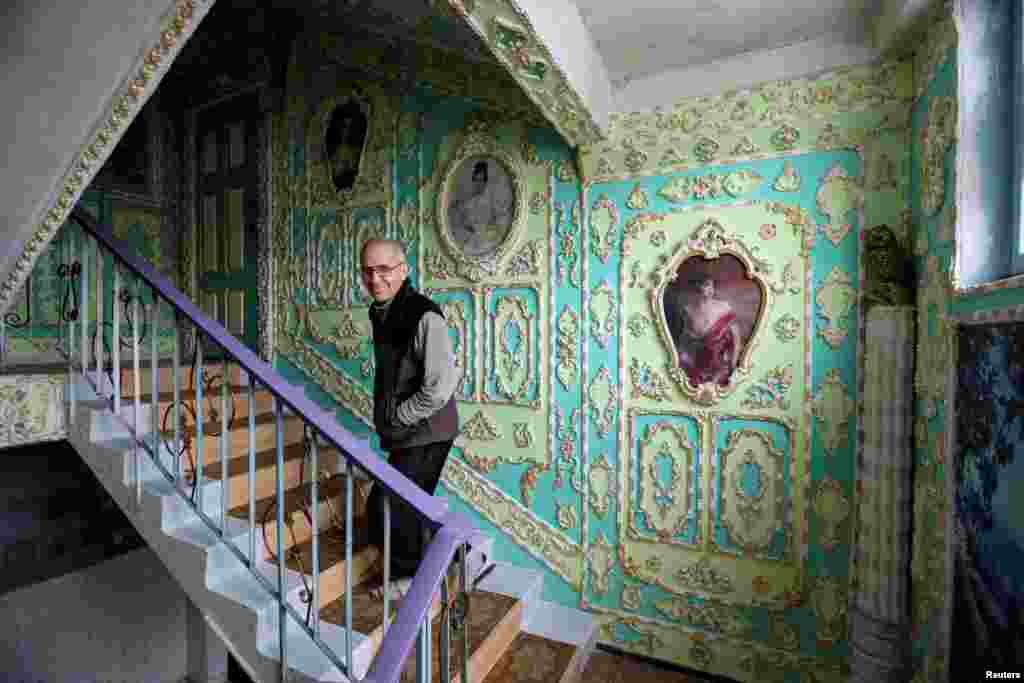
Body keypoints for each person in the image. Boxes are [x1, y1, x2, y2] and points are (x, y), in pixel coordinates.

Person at [360, 238, 461, 600]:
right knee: (401, 503)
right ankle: (450, 558)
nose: (375, 279)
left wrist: (399, 416)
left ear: (404, 270)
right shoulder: (383, 310)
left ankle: (413, 581)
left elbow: (440, 386)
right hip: (409, 432)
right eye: (368, 271)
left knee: (392, 503)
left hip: (428, 430)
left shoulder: (424, 315)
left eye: (384, 270)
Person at [672, 268, 742, 387]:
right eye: (706, 286)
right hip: (697, 365)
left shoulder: (724, 307)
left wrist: (733, 364)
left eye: (712, 286)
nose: (710, 290)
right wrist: (681, 358)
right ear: (697, 287)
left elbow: (736, 339)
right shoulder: (687, 309)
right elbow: (685, 339)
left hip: (720, 365)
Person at [449, 160, 512, 256]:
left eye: (482, 180)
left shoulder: (492, 203)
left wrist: (488, 230)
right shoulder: (468, 203)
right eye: (476, 180)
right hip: (472, 241)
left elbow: (498, 223)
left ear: (485, 182)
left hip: (487, 242)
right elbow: (461, 223)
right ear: (473, 181)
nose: (479, 184)